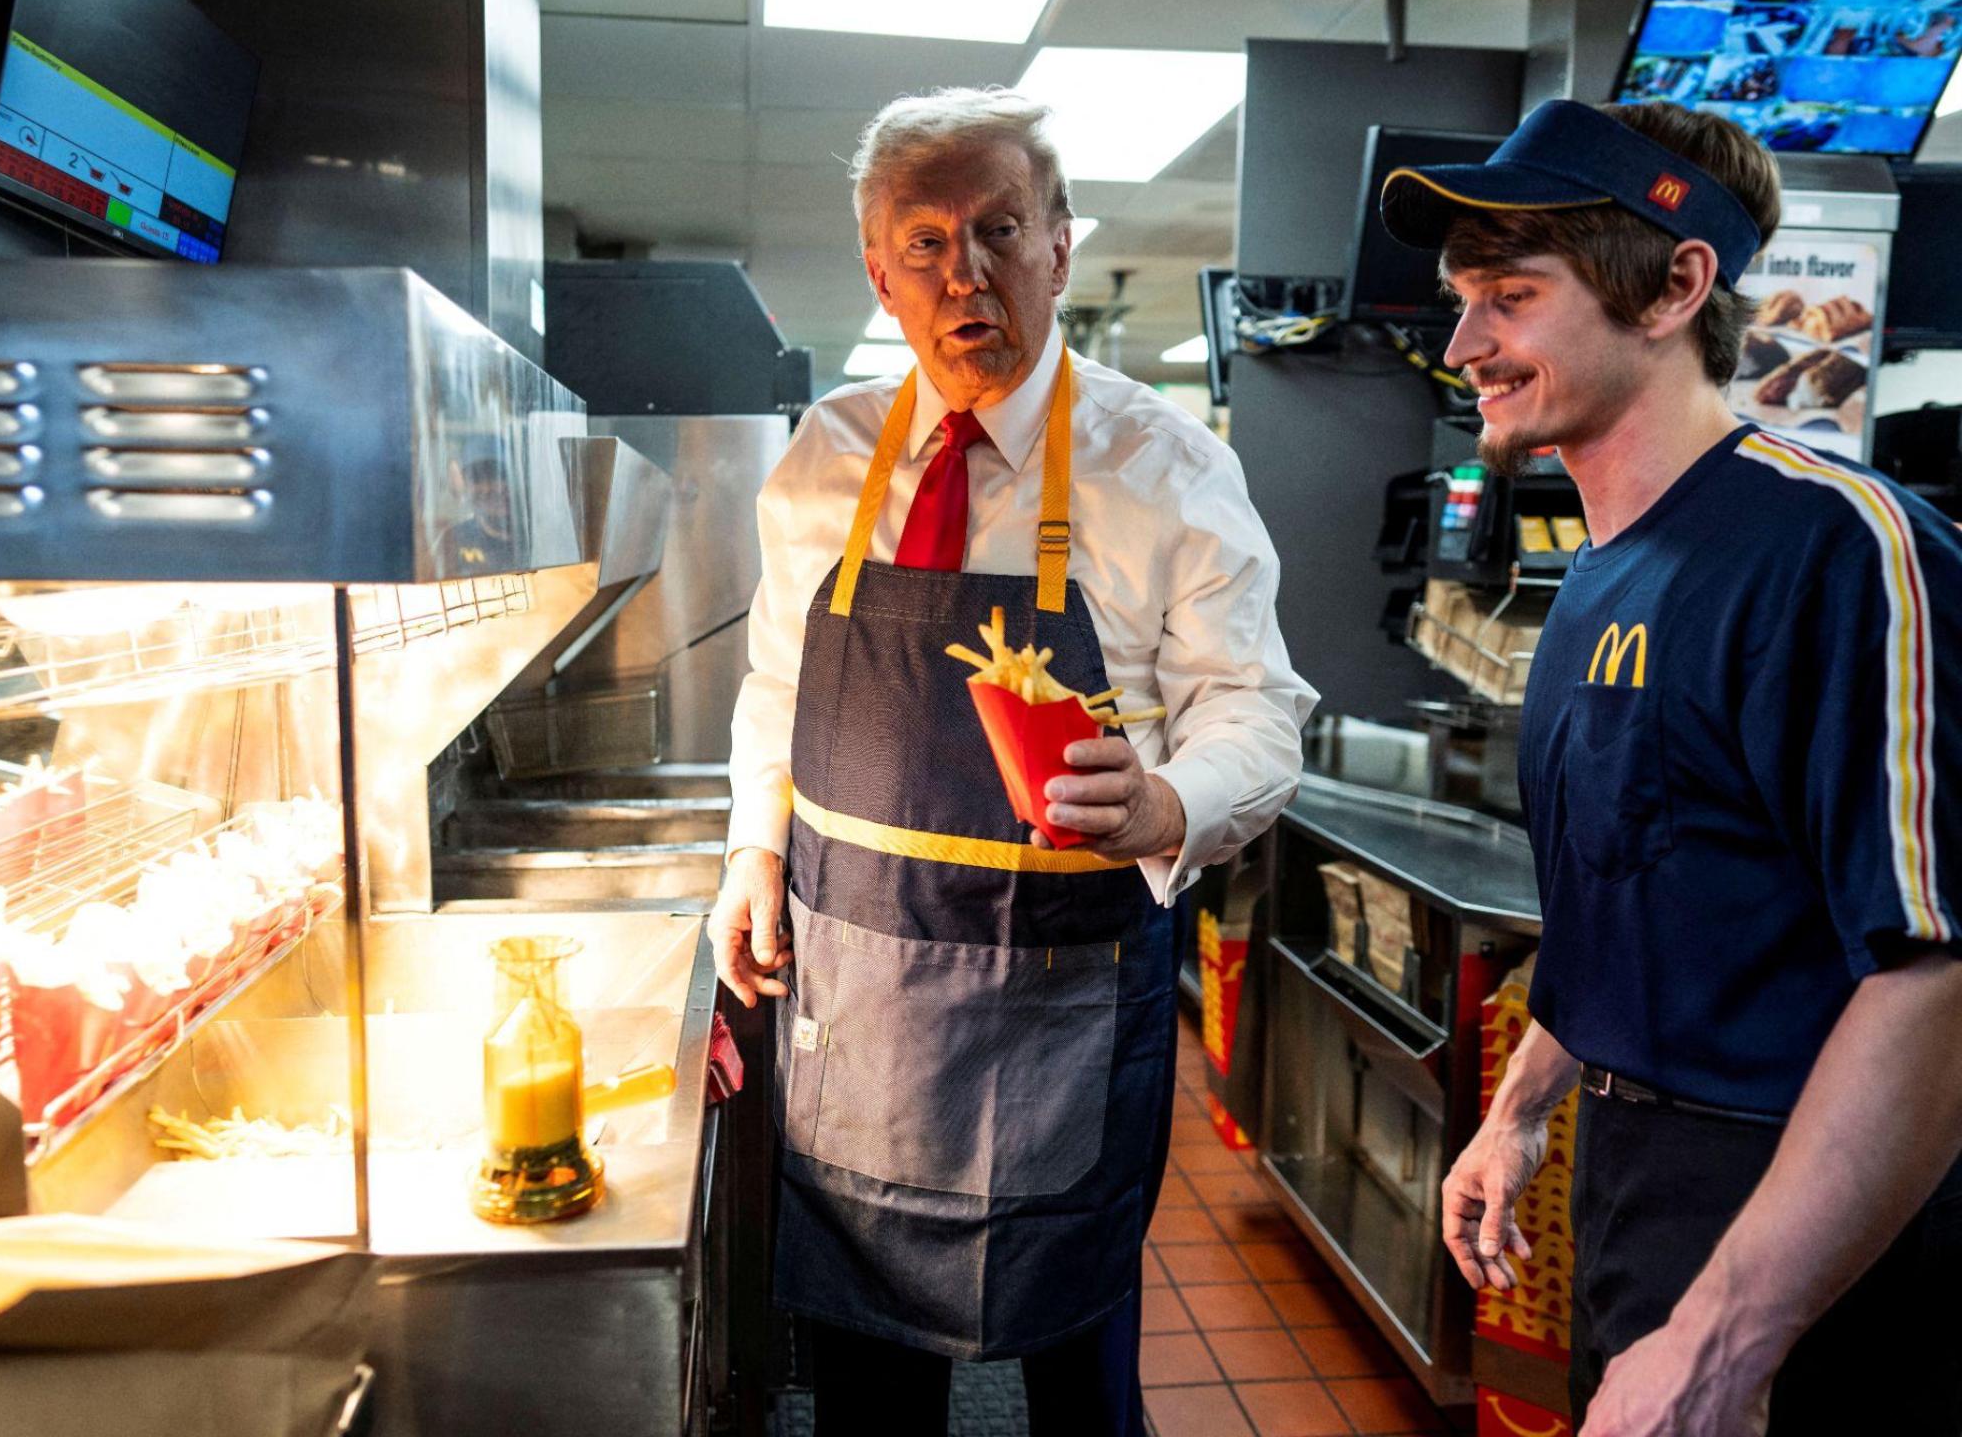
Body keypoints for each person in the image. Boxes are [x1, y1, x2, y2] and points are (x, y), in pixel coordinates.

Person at [709, 87, 1315, 1437]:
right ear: (879, 269)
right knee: (869, 1385)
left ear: (1060, 243)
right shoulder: (828, 458)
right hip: (859, 999)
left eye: (997, 229)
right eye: (923, 242)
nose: (963, 271)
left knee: (1079, 1385)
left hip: (1067, 997)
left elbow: (1259, 720)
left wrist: (1166, 800)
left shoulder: (1166, 466)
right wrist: (753, 850)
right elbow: (780, 684)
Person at [1379, 99, 1962, 1433]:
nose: (1464, 344)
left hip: (1818, 1227)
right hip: (1637, 1185)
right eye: (1463, 301)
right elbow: (1629, 894)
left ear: (1676, 286)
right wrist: (1522, 1110)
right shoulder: (1592, 583)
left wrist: (1722, 1340)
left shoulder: (1841, 550)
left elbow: (1933, 974)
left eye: (1511, 297)